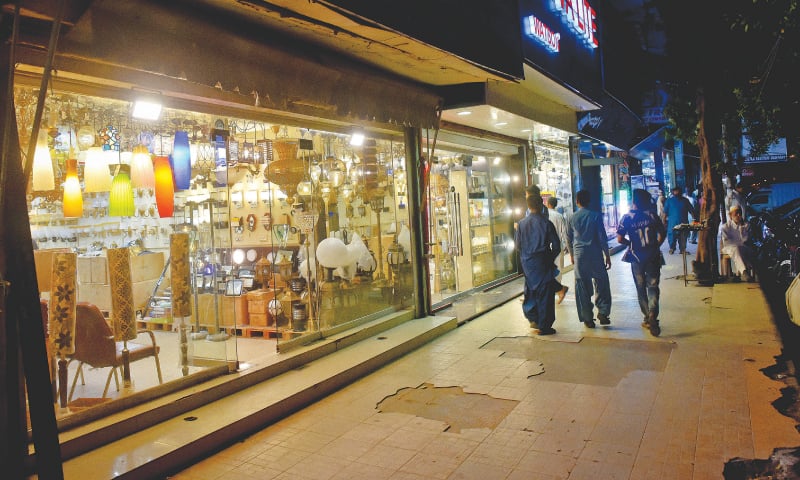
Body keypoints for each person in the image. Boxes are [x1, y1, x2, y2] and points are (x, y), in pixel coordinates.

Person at [616, 189, 667, 337]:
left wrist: (630, 244)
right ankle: (653, 314)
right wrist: (656, 245)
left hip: (636, 257)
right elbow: (662, 233)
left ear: (634, 201)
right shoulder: (652, 215)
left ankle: (646, 316)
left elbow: (619, 239)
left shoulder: (626, 218)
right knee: (653, 286)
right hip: (652, 255)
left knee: (640, 286)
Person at [515, 193, 560, 335]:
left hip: (528, 263)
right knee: (545, 293)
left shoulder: (521, 224)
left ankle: (533, 318)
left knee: (530, 291)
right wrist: (550, 257)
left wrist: (525, 256)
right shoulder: (547, 223)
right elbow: (556, 245)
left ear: (528, 206)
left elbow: (517, 245)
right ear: (541, 205)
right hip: (543, 261)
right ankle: (545, 326)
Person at [566, 189, 612, 328]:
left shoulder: (571, 217)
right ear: (589, 201)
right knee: (602, 283)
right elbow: (602, 237)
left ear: (577, 201)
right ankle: (603, 312)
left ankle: (587, 318)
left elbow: (568, 238)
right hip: (595, 254)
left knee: (582, 286)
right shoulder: (595, 216)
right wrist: (607, 256)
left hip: (580, 256)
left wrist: (572, 255)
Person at [719, 205, 755, 282]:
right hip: (730, 248)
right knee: (736, 249)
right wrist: (739, 243)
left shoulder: (746, 225)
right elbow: (727, 242)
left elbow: (747, 240)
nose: (738, 215)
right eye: (736, 214)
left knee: (741, 250)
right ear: (731, 215)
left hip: (743, 247)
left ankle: (742, 272)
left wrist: (741, 228)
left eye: (740, 213)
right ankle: (744, 272)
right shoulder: (725, 227)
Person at [546, 196, 569, 304]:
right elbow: (565, 234)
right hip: (557, 247)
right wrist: (568, 248)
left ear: (547, 203)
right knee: (558, 270)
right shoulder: (559, 216)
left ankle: (557, 291)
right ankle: (559, 290)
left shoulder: (544, 215)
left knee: (547, 270)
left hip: (545, 248)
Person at [663, 186, 694, 254]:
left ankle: (682, 249)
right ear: (673, 192)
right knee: (672, 237)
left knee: (683, 237)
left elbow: (691, 210)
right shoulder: (669, 201)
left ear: (680, 191)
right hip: (672, 223)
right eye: (675, 191)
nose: (677, 192)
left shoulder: (685, 200)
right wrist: (663, 221)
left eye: (678, 191)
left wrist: (694, 219)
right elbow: (665, 212)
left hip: (683, 223)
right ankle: (672, 248)